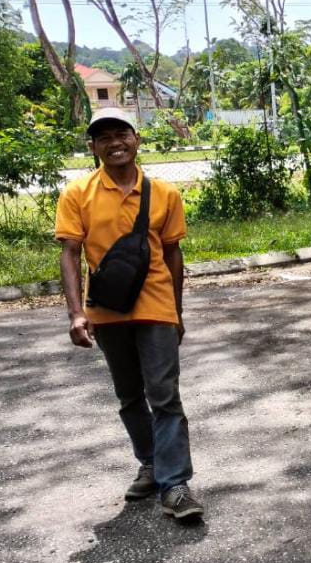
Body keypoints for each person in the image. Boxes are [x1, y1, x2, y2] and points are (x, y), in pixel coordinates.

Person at [55, 108, 204, 520]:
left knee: (165, 395)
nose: (114, 142)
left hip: (156, 306)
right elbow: (69, 254)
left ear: (137, 139)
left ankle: (175, 486)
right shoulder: (77, 193)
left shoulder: (164, 194)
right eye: (104, 137)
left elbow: (173, 254)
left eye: (121, 133)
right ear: (93, 147)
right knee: (129, 397)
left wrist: (176, 311)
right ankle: (152, 464)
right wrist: (75, 313)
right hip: (105, 311)